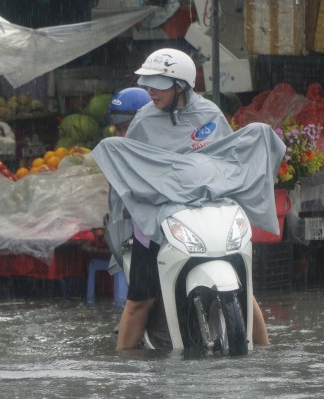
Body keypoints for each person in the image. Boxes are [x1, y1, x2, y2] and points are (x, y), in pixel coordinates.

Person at [98, 48, 270, 350]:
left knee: (247, 293)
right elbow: (128, 178)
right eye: (148, 84)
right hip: (156, 219)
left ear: (182, 85)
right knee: (140, 300)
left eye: (158, 84)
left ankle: (267, 352)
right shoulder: (142, 122)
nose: (150, 90)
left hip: (208, 215)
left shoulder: (210, 115)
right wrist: (122, 223)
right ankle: (122, 363)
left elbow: (228, 161)